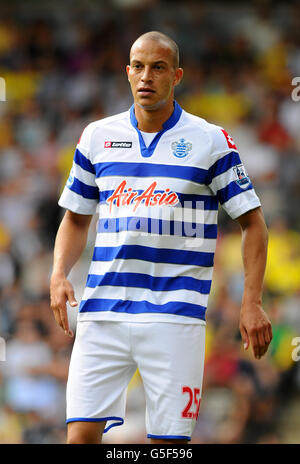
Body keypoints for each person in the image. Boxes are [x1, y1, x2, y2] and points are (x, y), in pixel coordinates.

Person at [50, 31, 272, 445]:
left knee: (169, 446)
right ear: (127, 72)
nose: (146, 76)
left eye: (158, 67)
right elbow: (76, 219)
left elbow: (253, 223)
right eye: (138, 66)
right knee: (79, 436)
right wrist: (59, 272)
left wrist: (251, 301)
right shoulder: (97, 137)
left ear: (177, 76)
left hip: (176, 316)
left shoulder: (211, 141)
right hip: (104, 312)